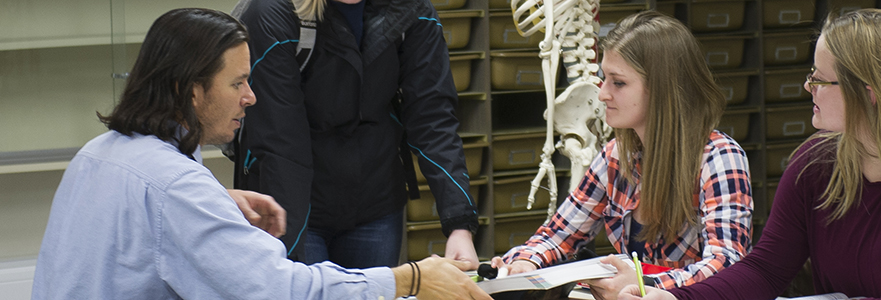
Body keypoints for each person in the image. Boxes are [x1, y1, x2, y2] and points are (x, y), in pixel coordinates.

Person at [30, 8, 490, 300]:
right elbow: (278, 290)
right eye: (237, 83)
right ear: (189, 91)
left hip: (369, 195)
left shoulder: (98, 154)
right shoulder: (176, 187)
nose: (251, 98)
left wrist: (213, 204)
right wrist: (408, 279)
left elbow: (138, 231)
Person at [618, 8, 881, 300]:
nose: (808, 87)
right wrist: (677, 299)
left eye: (819, 79)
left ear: (869, 93)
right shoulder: (814, 163)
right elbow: (765, 270)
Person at [490, 11, 754, 300]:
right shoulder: (614, 156)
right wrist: (526, 261)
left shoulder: (720, 159)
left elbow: (728, 267)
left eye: (618, 82)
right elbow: (557, 234)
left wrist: (645, 282)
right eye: (605, 79)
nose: (602, 94)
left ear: (662, 90)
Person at [231, 0, 478, 269]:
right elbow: (280, 140)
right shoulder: (271, 12)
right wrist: (289, 250)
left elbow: (433, 118)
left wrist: (459, 225)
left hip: (376, 201)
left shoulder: (411, 9)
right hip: (292, 202)